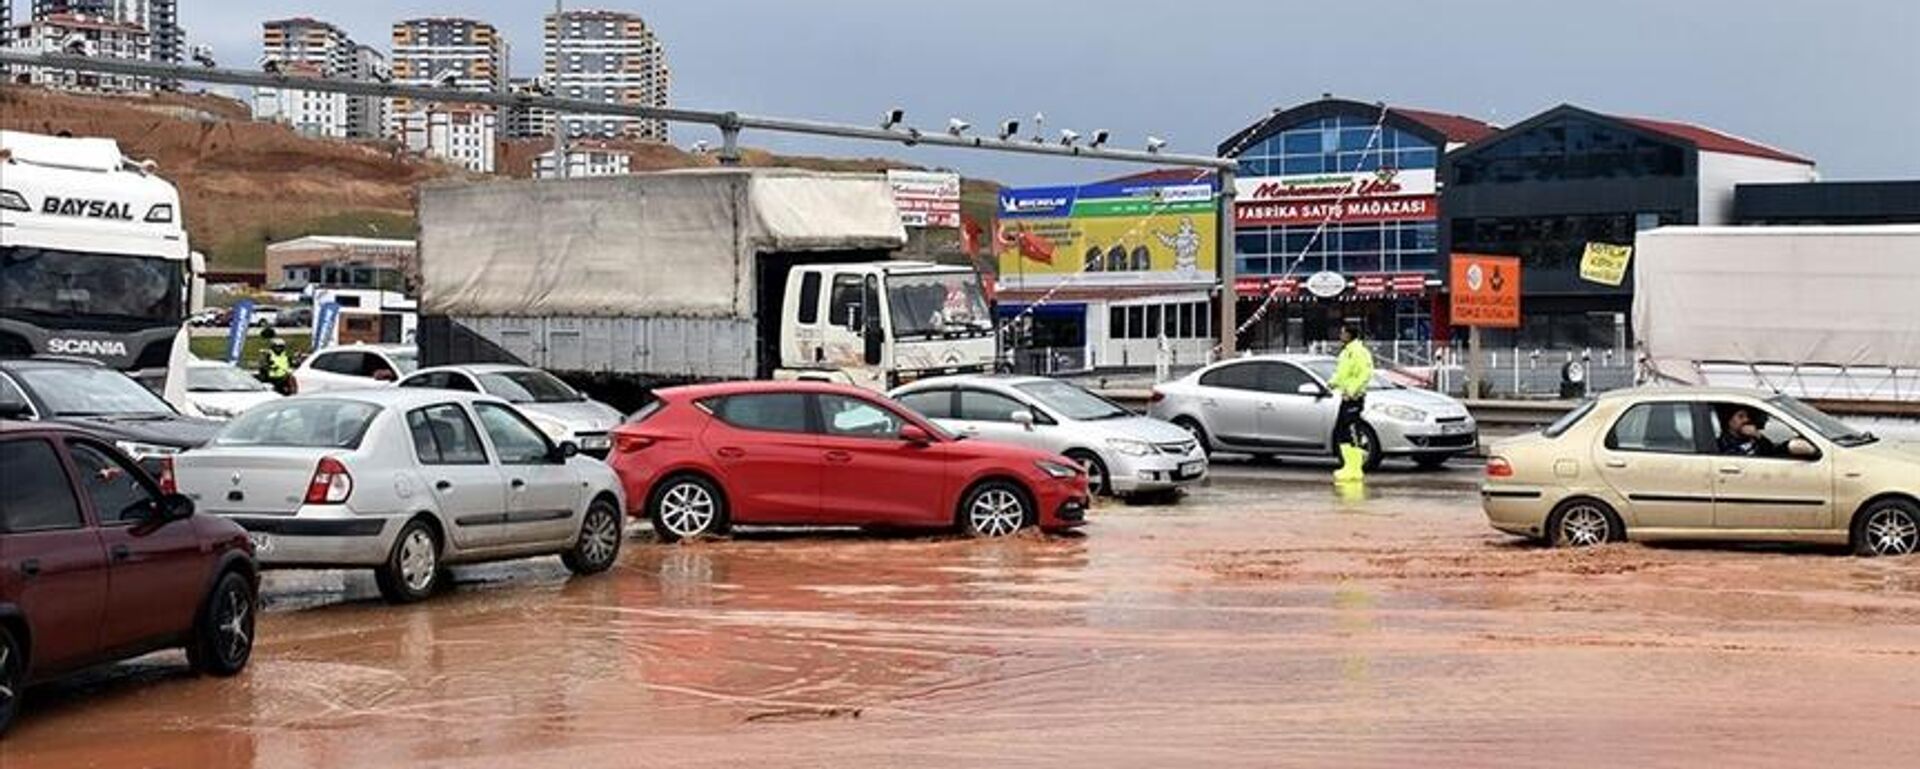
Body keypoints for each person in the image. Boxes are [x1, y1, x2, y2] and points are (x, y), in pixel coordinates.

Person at [1329, 323, 1375, 483]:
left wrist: (1353, 391)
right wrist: (1332, 383)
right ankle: (1349, 465)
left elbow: (1365, 374)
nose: (1340, 335)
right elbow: (1342, 373)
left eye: (1342, 333)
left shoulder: (1359, 352)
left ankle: (1355, 467)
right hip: (1346, 396)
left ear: (1350, 335)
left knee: (1352, 429)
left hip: (1354, 397)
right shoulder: (1346, 352)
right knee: (1341, 430)